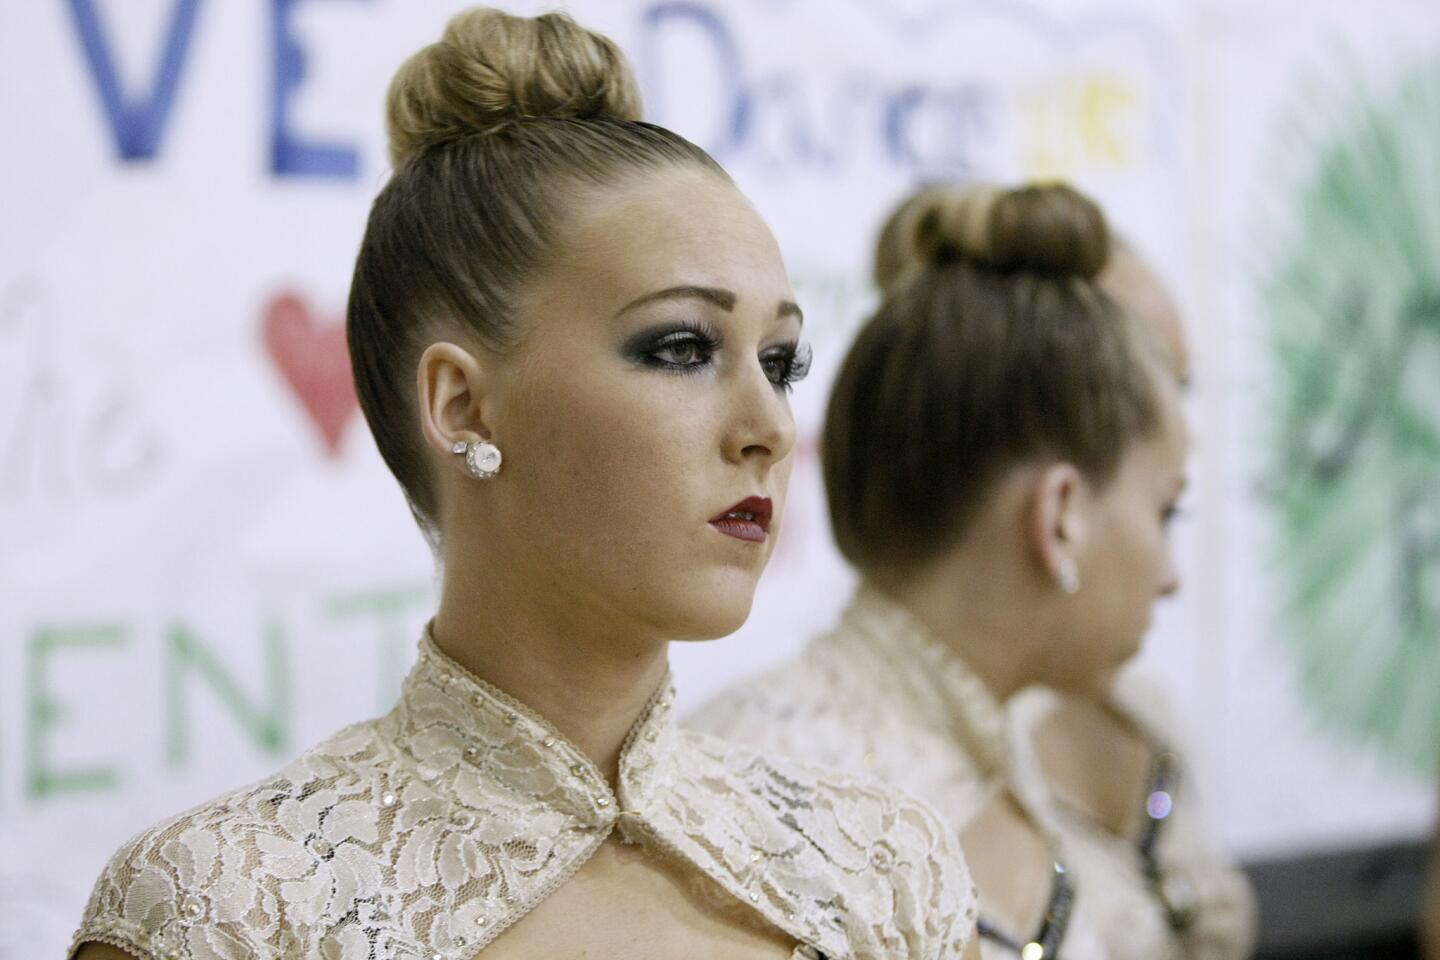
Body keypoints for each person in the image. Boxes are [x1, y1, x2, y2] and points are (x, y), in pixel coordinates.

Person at [69, 10, 978, 959]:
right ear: (462, 407)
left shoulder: (885, 869)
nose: (772, 428)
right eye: (681, 348)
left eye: (781, 362)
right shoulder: (227, 911)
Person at [690, 181, 1187, 959]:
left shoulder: (993, 746)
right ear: (1060, 517)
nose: (1170, 576)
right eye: (1166, 511)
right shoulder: (758, 802)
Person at [1005, 241, 1257, 960]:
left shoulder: (1148, 714)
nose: (1184, 433)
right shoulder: (939, 758)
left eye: (1186, 386)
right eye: (1152, 385)